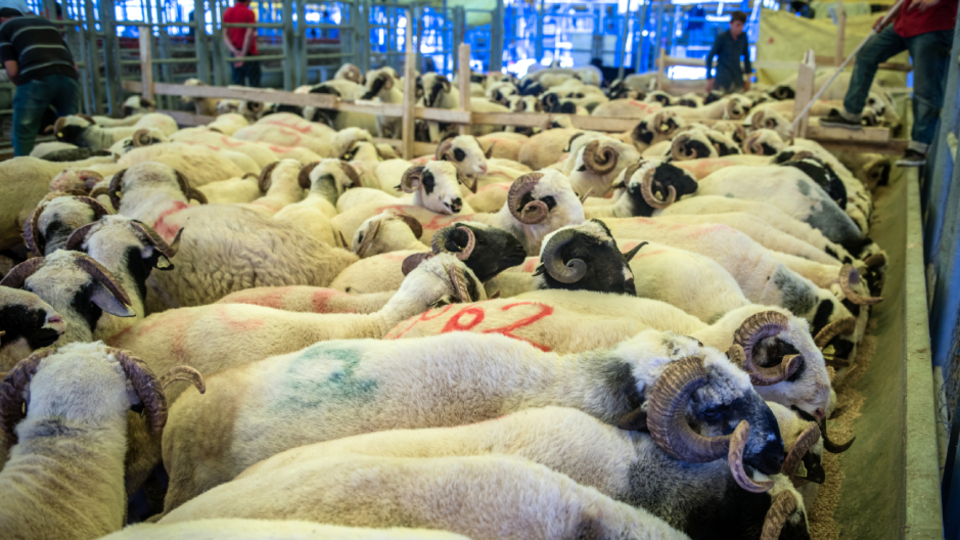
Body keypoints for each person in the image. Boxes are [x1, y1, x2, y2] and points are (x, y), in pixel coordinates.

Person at [821, 0, 956, 167]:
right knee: (866, 54)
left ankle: (919, 148)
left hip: (933, 27)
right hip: (904, 22)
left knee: (925, 89)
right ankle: (851, 113)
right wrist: (890, 16)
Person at [0, 0, 80, 156]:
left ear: (1, 20)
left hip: (36, 78)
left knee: (24, 133)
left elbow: (12, 71)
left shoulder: (4, 29)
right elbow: (74, 66)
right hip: (69, 77)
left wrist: (24, 88)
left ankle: (23, 173)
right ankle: (73, 168)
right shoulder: (47, 24)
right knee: (70, 128)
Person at [705, 10, 752, 94]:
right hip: (722, 79)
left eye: (742, 25)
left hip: (737, 78)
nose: (740, 28)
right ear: (731, 24)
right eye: (738, 25)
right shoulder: (722, 37)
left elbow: (746, 57)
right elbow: (710, 57)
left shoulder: (743, 37)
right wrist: (709, 77)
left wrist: (748, 78)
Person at [223, 0, 260, 87]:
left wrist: (235, 51)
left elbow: (224, 35)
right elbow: (249, 35)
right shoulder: (249, 13)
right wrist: (243, 54)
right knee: (255, 84)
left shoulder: (228, 12)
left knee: (238, 85)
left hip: (235, 54)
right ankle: (254, 100)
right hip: (249, 53)